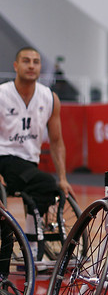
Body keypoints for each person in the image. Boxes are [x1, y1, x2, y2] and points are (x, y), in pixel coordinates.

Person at [0, 47, 75, 260]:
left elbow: (57, 142)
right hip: (3, 160)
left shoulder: (49, 98)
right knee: (43, 183)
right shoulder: (2, 94)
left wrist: (62, 178)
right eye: (26, 61)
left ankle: (33, 247)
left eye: (36, 61)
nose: (31, 65)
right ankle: (30, 249)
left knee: (45, 187)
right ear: (16, 66)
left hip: (28, 166)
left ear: (40, 67)